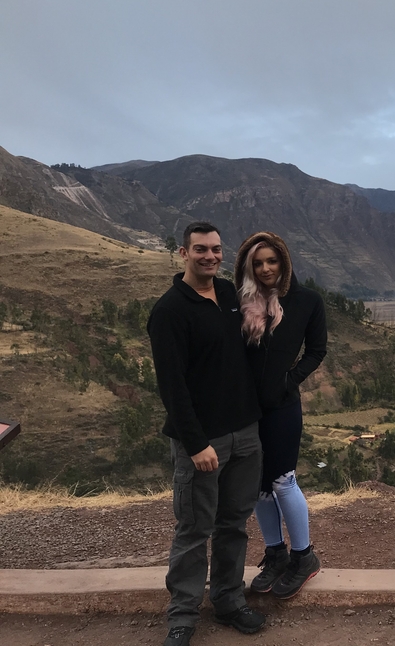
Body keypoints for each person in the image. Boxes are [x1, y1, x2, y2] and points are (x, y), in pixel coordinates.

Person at [148, 222, 265, 646]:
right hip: (202, 442)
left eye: (215, 249)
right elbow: (172, 386)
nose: (210, 256)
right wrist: (196, 443)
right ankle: (182, 616)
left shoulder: (230, 295)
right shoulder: (169, 311)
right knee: (194, 529)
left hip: (245, 434)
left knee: (234, 524)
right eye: (200, 249)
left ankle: (229, 600)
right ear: (183, 253)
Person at [234, 231, 327, 599]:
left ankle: (304, 557)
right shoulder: (239, 301)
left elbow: (317, 350)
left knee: (283, 481)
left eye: (271, 261)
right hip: (246, 408)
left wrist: (289, 381)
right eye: (257, 263)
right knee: (257, 485)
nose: (265, 268)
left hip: (283, 407)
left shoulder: (307, 301)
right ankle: (276, 555)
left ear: (284, 262)